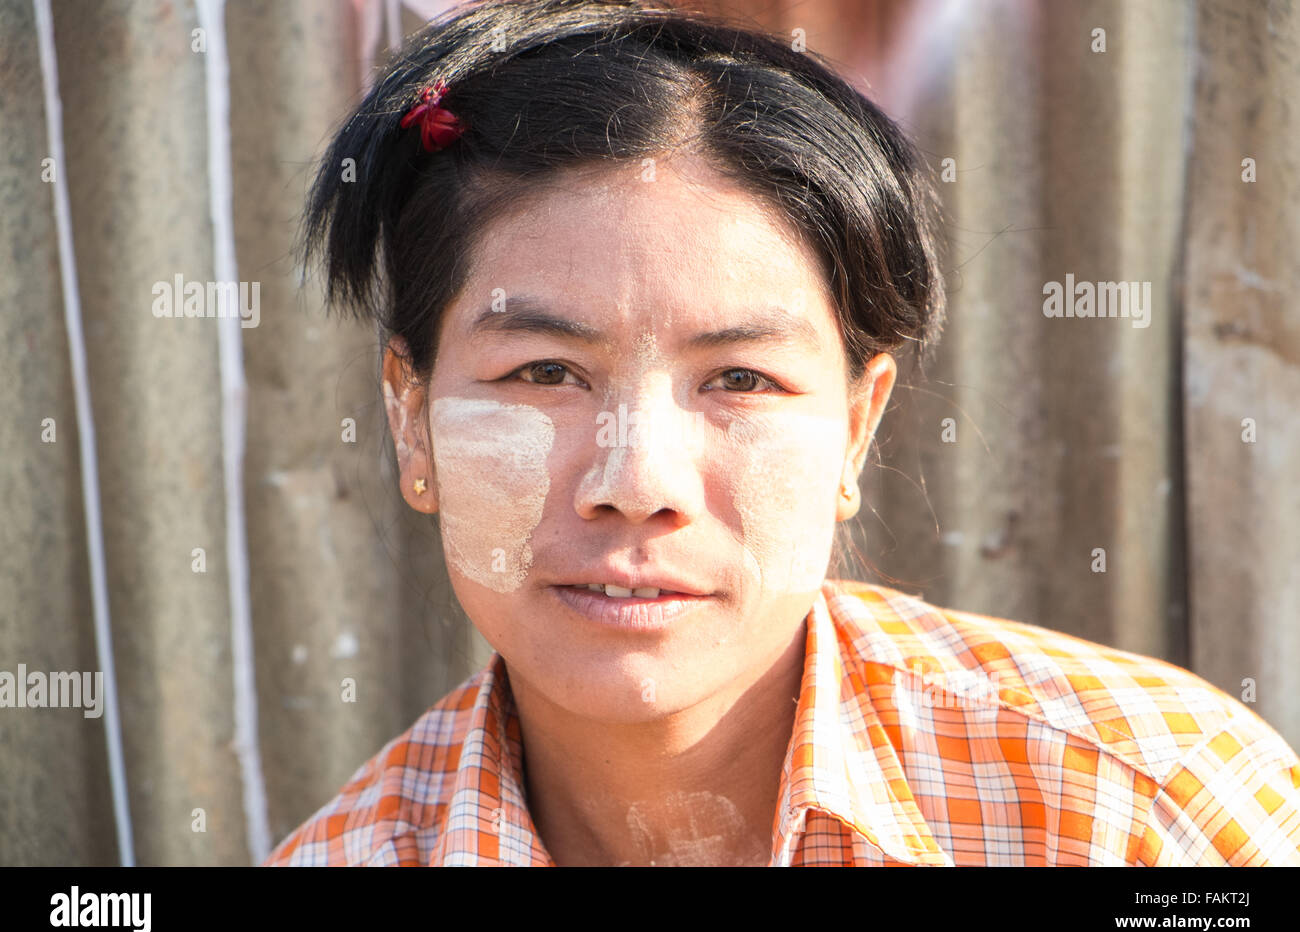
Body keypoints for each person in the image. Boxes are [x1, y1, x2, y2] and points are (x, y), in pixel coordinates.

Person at [263, 0, 1300, 866]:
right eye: (544, 372)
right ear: (411, 416)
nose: (635, 481)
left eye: (740, 378)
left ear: (854, 429)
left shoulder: (1156, 812)